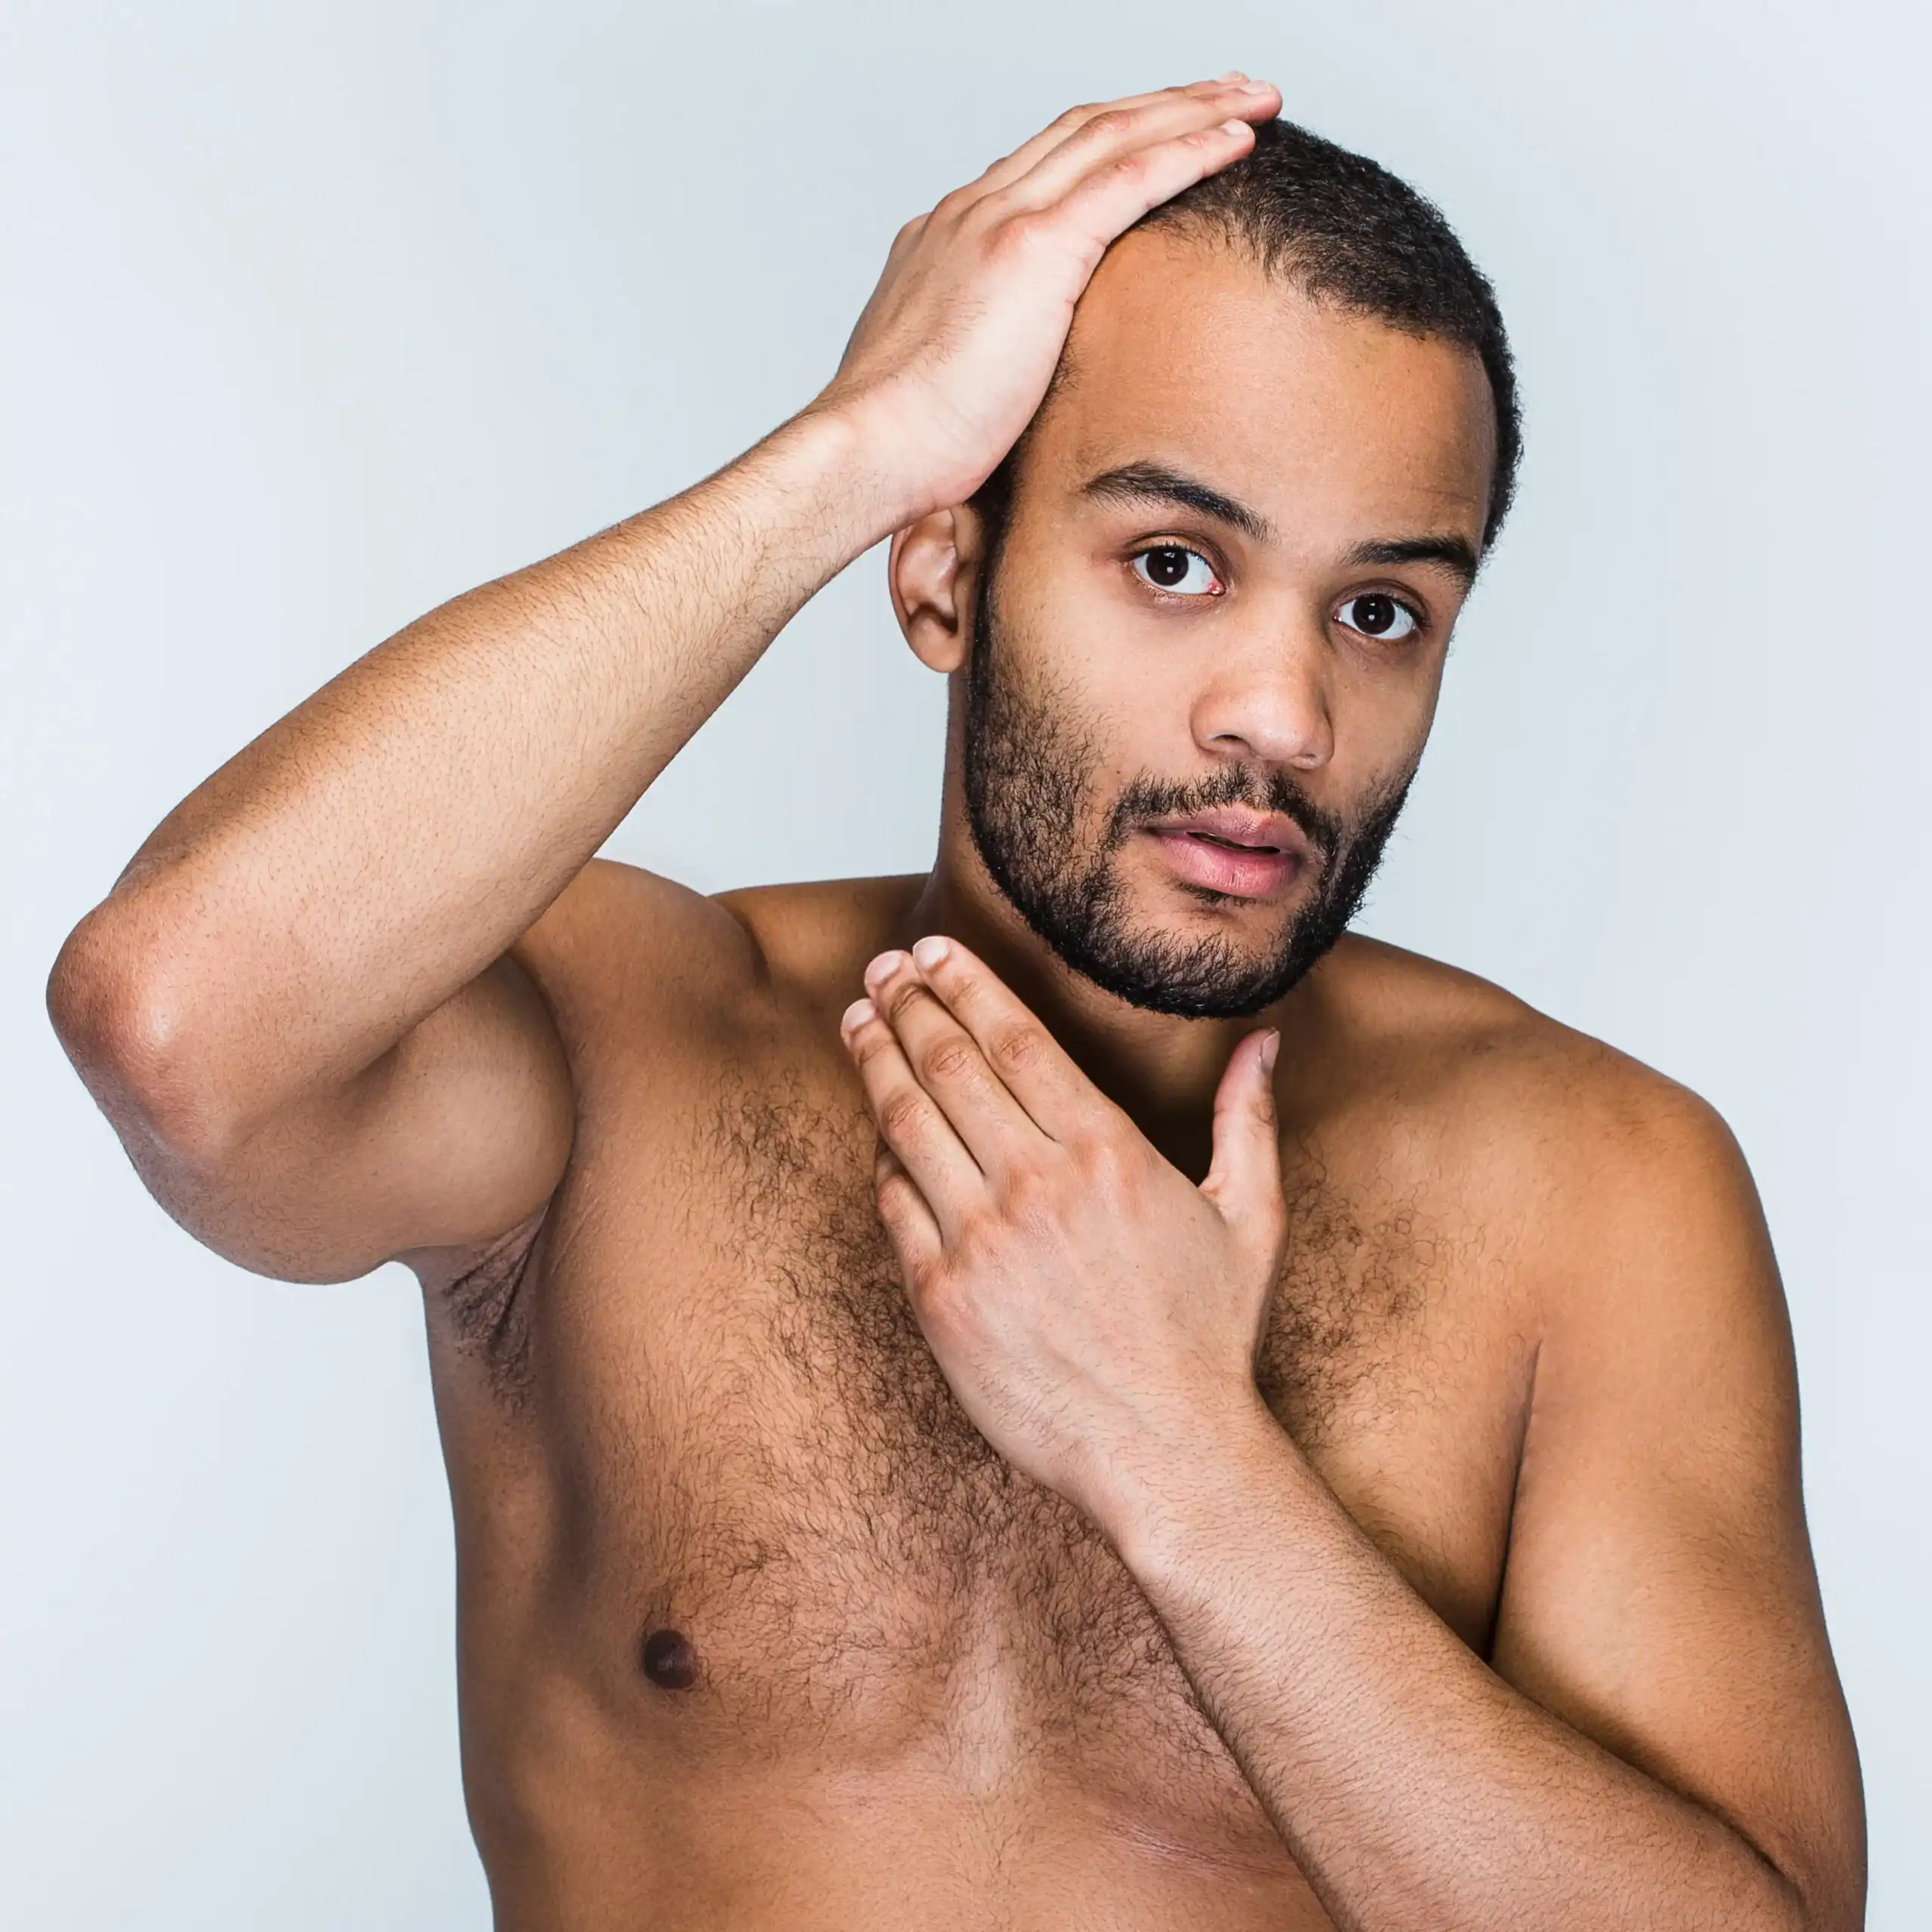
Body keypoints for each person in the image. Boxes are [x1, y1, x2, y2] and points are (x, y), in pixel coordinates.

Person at [48, 77, 1865, 1930]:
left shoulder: (1591, 1188)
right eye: (1173, 563)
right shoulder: (627, 1054)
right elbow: (179, 1023)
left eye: (1380, 610)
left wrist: (1181, 1461)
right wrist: (855, 449)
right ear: (943, 567)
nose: (1284, 714)